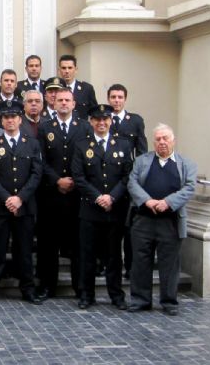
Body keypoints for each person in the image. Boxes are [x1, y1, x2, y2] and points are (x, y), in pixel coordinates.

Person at [127, 124, 196, 316]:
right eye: (158, 139)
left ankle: (169, 301)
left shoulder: (186, 164)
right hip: (144, 220)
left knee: (170, 264)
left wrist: (167, 202)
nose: (162, 142)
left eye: (165, 138)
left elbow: (189, 188)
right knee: (140, 261)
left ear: (173, 140)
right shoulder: (142, 161)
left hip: (170, 222)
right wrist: (148, 201)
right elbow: (132, 183)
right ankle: (140, 300)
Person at [0, 100, 43, 305]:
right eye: (6, 117)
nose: (10, 121)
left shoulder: (32, 143)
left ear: (19, 119)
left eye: (14, 117)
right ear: (2, 120)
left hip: (24, 207)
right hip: (0, 207)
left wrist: (20, 198)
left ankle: (27, 288)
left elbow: (36, 174)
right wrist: (7, 199)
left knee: (24, 250)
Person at [71, 104, 131, 310]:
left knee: (114, 255)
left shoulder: (123, 145)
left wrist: (112, 197)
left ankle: (116, 294)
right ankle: (87, 295)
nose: (102, 123)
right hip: (90, 209)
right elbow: (78, 177)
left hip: (114, 210)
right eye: (97, 119)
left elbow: (127, 176)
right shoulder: (81, 145)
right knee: (87, 255)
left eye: (105, 119)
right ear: (91, 122)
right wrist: (98, 197)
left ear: (111, 121)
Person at [36, 87, 91, 300]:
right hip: (52, 195)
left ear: (74, 104)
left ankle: (81, 288)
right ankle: (47, 286)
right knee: (48, 245)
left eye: (68, 100)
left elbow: (88, 159)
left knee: (78, 244)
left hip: (77, 196)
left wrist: (75, 182)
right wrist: (57, 180)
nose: (64, 103)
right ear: (53, 103)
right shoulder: (44, 127)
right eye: (60, 100)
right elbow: (40, 160)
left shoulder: (84, 127)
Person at [107, 83, 148, 279]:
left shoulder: (135, 121)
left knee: (128, 226)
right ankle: (105, 264)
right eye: (113, 97)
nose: (116, 100)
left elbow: (141, 152)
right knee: (107, 226)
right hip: (107, 179)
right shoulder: (103, 118)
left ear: (125, 99)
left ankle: (130, 267)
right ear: (108, 99)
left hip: (128, 180)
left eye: (120, 97)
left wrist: (137, 177)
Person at [58, 54, 97, 119]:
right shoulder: (55, 89)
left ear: (76, 69)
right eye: (64, 68)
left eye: (70, 68)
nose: (67, 71)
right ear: (59, 70)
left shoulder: (87, 89)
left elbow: (95, 113)